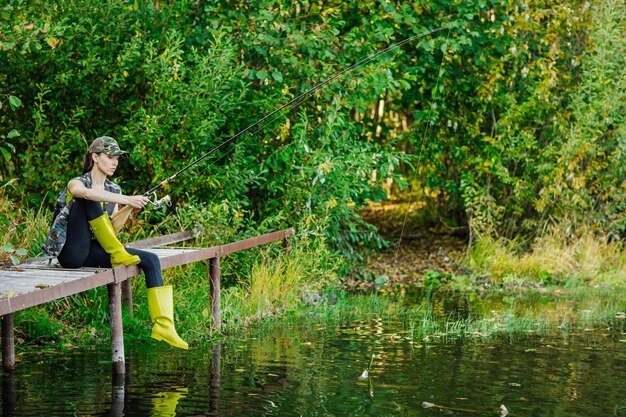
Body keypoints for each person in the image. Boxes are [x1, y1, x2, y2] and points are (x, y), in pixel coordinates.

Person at [42, 136, 188, 350]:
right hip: (71, 253)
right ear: (95, 157)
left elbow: (110, 229)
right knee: (87, 200)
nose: (115, 162)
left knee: (150, 259)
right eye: (110, 157)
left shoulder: (115, 190)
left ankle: (164, 326)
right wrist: (126, 199)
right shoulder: (79, 181)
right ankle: (118, 253)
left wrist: (130, 207)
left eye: (117, 158)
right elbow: (81, 193)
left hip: (95, 250)